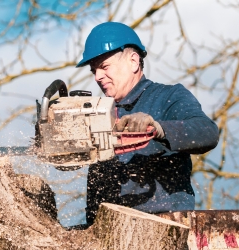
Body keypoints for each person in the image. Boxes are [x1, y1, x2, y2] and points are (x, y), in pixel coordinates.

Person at [78, 22, 219, 225]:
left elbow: (207, 132)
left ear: (133, 61)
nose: (98, 76)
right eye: (94, 71)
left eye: (104, 67)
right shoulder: (96, 114)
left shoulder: (168, 97)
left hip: (163, 225)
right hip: (104, 231)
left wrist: (160, 129)